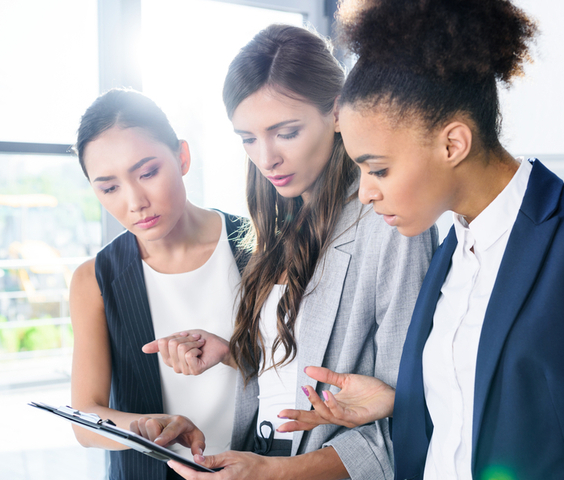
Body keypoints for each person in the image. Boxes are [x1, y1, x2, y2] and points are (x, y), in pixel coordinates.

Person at [277, 1, 564, 479]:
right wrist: (402, 401)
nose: (364, 192)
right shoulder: (449, 255)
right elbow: (489, 408)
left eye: (378, 168)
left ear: (453, 144)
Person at [131, 24, 437, 480]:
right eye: (248, 139)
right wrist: (237, 353)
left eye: (286, 132)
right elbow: (302, 362)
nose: (265, 157)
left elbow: (409, 415)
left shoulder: (391, 221)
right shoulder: (280, 220)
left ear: (336, 113)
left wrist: (276, 472)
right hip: (261, 449)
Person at [68, 88, 247, 480]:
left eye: (148, 173)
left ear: (182, 157)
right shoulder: (93, 280)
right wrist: (147, 427)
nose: (135, 202)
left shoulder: (261, 246)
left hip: (257, 467)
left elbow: (301, 366)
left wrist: (231, 353)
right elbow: (85, 417)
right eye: (109, 187)